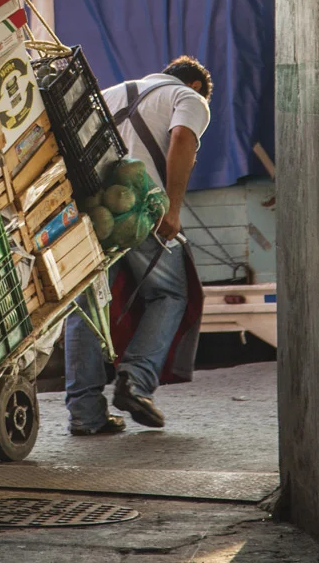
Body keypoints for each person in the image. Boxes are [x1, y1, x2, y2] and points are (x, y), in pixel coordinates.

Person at [63, 55, 213, 435]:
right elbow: (181, 138)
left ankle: (85, 412)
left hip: (93, 214)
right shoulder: (189, 99)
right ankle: (136, 380)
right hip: (143, 211)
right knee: (171, 294)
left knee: (88, 306)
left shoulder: (110, 94)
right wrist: (173, 209)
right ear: (194, 86)